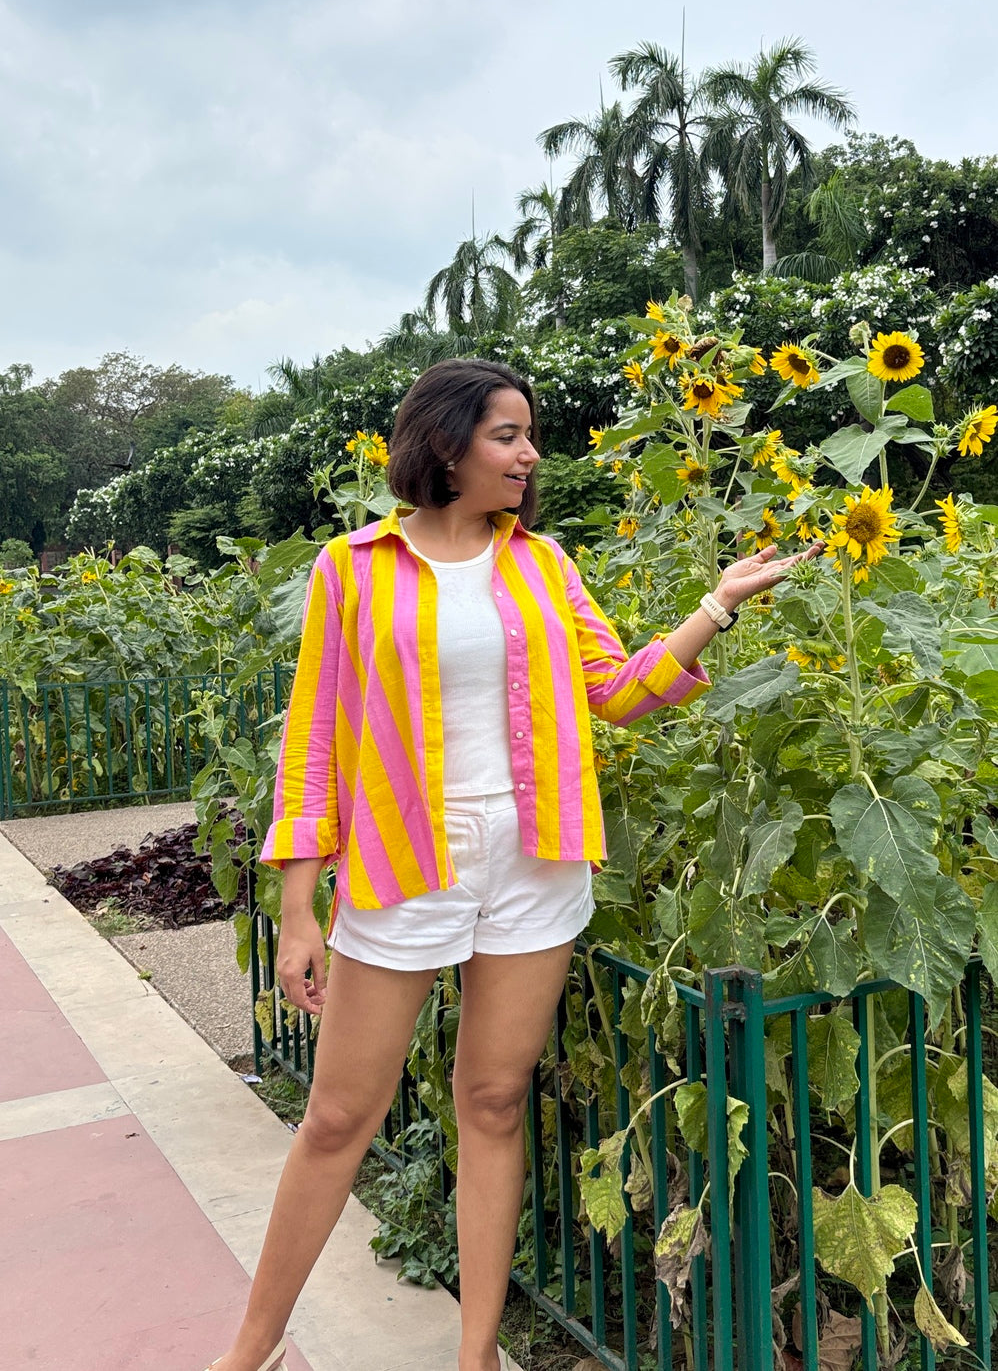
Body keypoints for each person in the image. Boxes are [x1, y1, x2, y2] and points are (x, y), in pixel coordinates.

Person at [204, 358, 822, 1371]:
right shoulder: (351, 568)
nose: (528, 455)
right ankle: (251, 1347)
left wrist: (713, 605)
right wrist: (300, 906)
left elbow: (618, 691)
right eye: (506, 435)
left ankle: (476, 1351)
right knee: (336, 1116)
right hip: (405, 861)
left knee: (492, 1101)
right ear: (443, 444)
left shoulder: (541, 566)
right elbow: (313, 740)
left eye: (527, 436)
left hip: (531, 860)